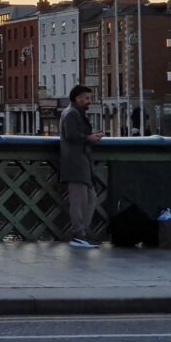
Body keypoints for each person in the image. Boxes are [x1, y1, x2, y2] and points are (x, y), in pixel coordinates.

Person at [59, 84, 104, 249]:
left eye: (89, 98)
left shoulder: (73, 112)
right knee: (79, 201)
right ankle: (78, 234)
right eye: (86, 98)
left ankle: (82, 232)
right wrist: (89, 138)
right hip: (75, 162)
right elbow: (71, 135)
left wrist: (89, 136)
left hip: (80, 161)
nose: (89, 101)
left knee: (90, 198)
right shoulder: (71, 114)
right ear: (77, 99)